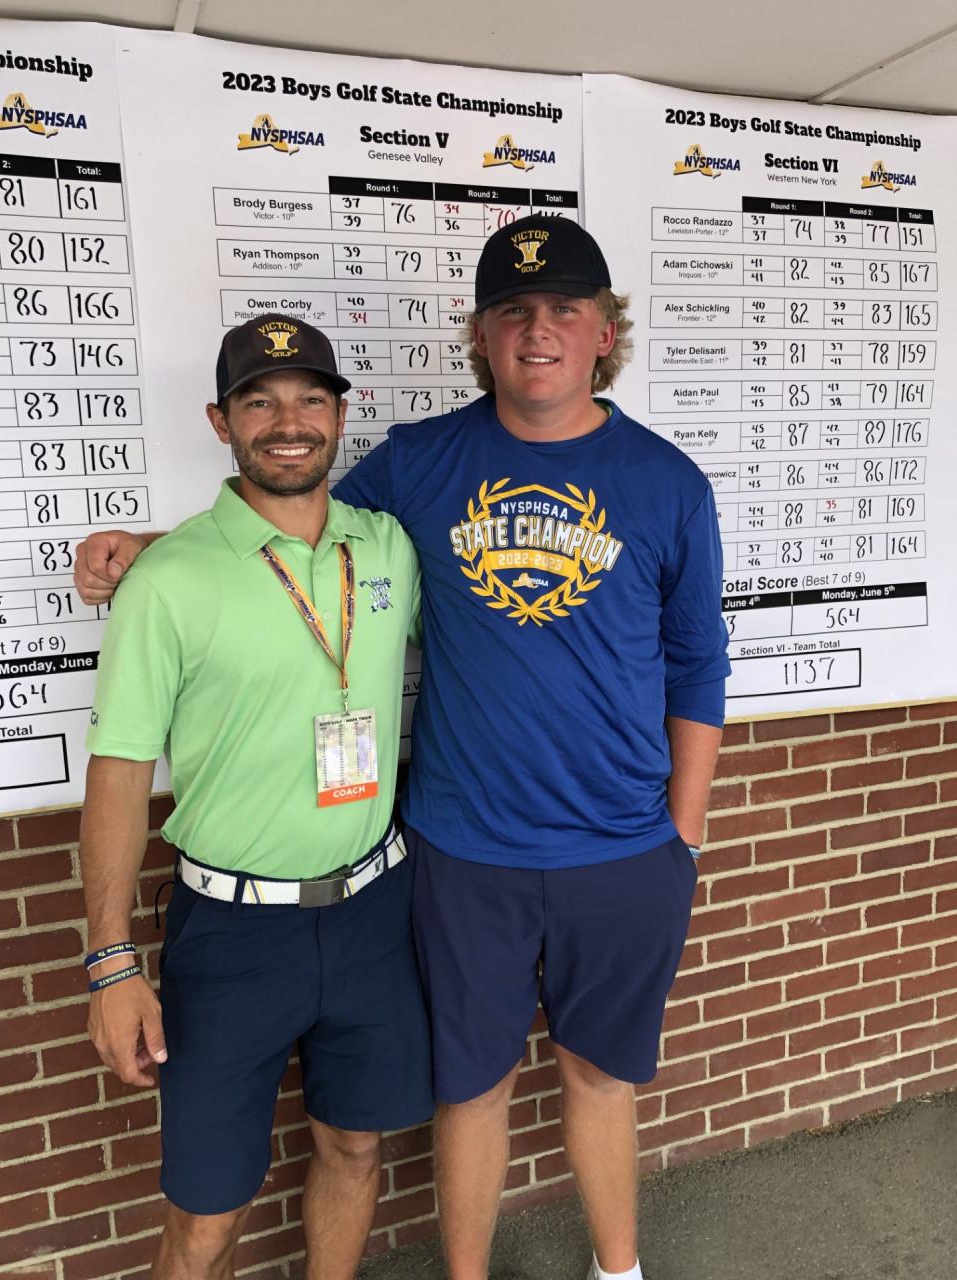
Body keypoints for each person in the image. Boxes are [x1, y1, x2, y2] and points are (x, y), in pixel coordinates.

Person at [77, 217, 729, 1280]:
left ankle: (621, 1267)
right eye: (512, 311)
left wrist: (682, 837)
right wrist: (150, 550)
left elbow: (699, 661)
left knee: (601, 1076)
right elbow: (284, 516)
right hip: (461, 848)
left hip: (619, 849)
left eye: (567, 307)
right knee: (466, 1087)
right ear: (479, 335)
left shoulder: (668, 482)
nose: (539, 331)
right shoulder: (422, 463)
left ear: (607, 332)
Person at [78, 314, 432, 1280]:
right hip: (231, 934)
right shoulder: (172, 579)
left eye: (311, 398)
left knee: (354, 1147)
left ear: (341, 414)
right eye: (260, 401)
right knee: (207, 1216)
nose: (289, 420)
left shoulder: (390, 547)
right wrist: (110, 963)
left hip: (373, 912)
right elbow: (116, 771)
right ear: (221, 420)